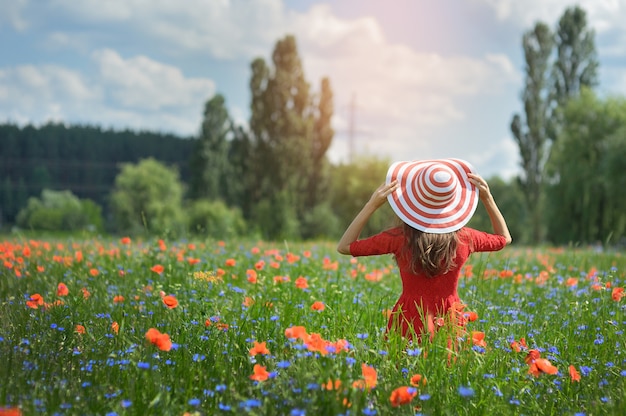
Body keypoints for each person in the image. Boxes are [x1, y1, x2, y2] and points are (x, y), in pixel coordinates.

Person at [337, 158, 511, 341]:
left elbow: (344, 246)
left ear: (413, 200)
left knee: (404, 367)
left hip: (408, 319)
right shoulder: (466, 238)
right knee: (447, 367)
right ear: (453, 201)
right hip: (450, 320)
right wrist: (487, 198)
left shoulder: (399, 238)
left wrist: (372, 204)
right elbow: (504, 238)